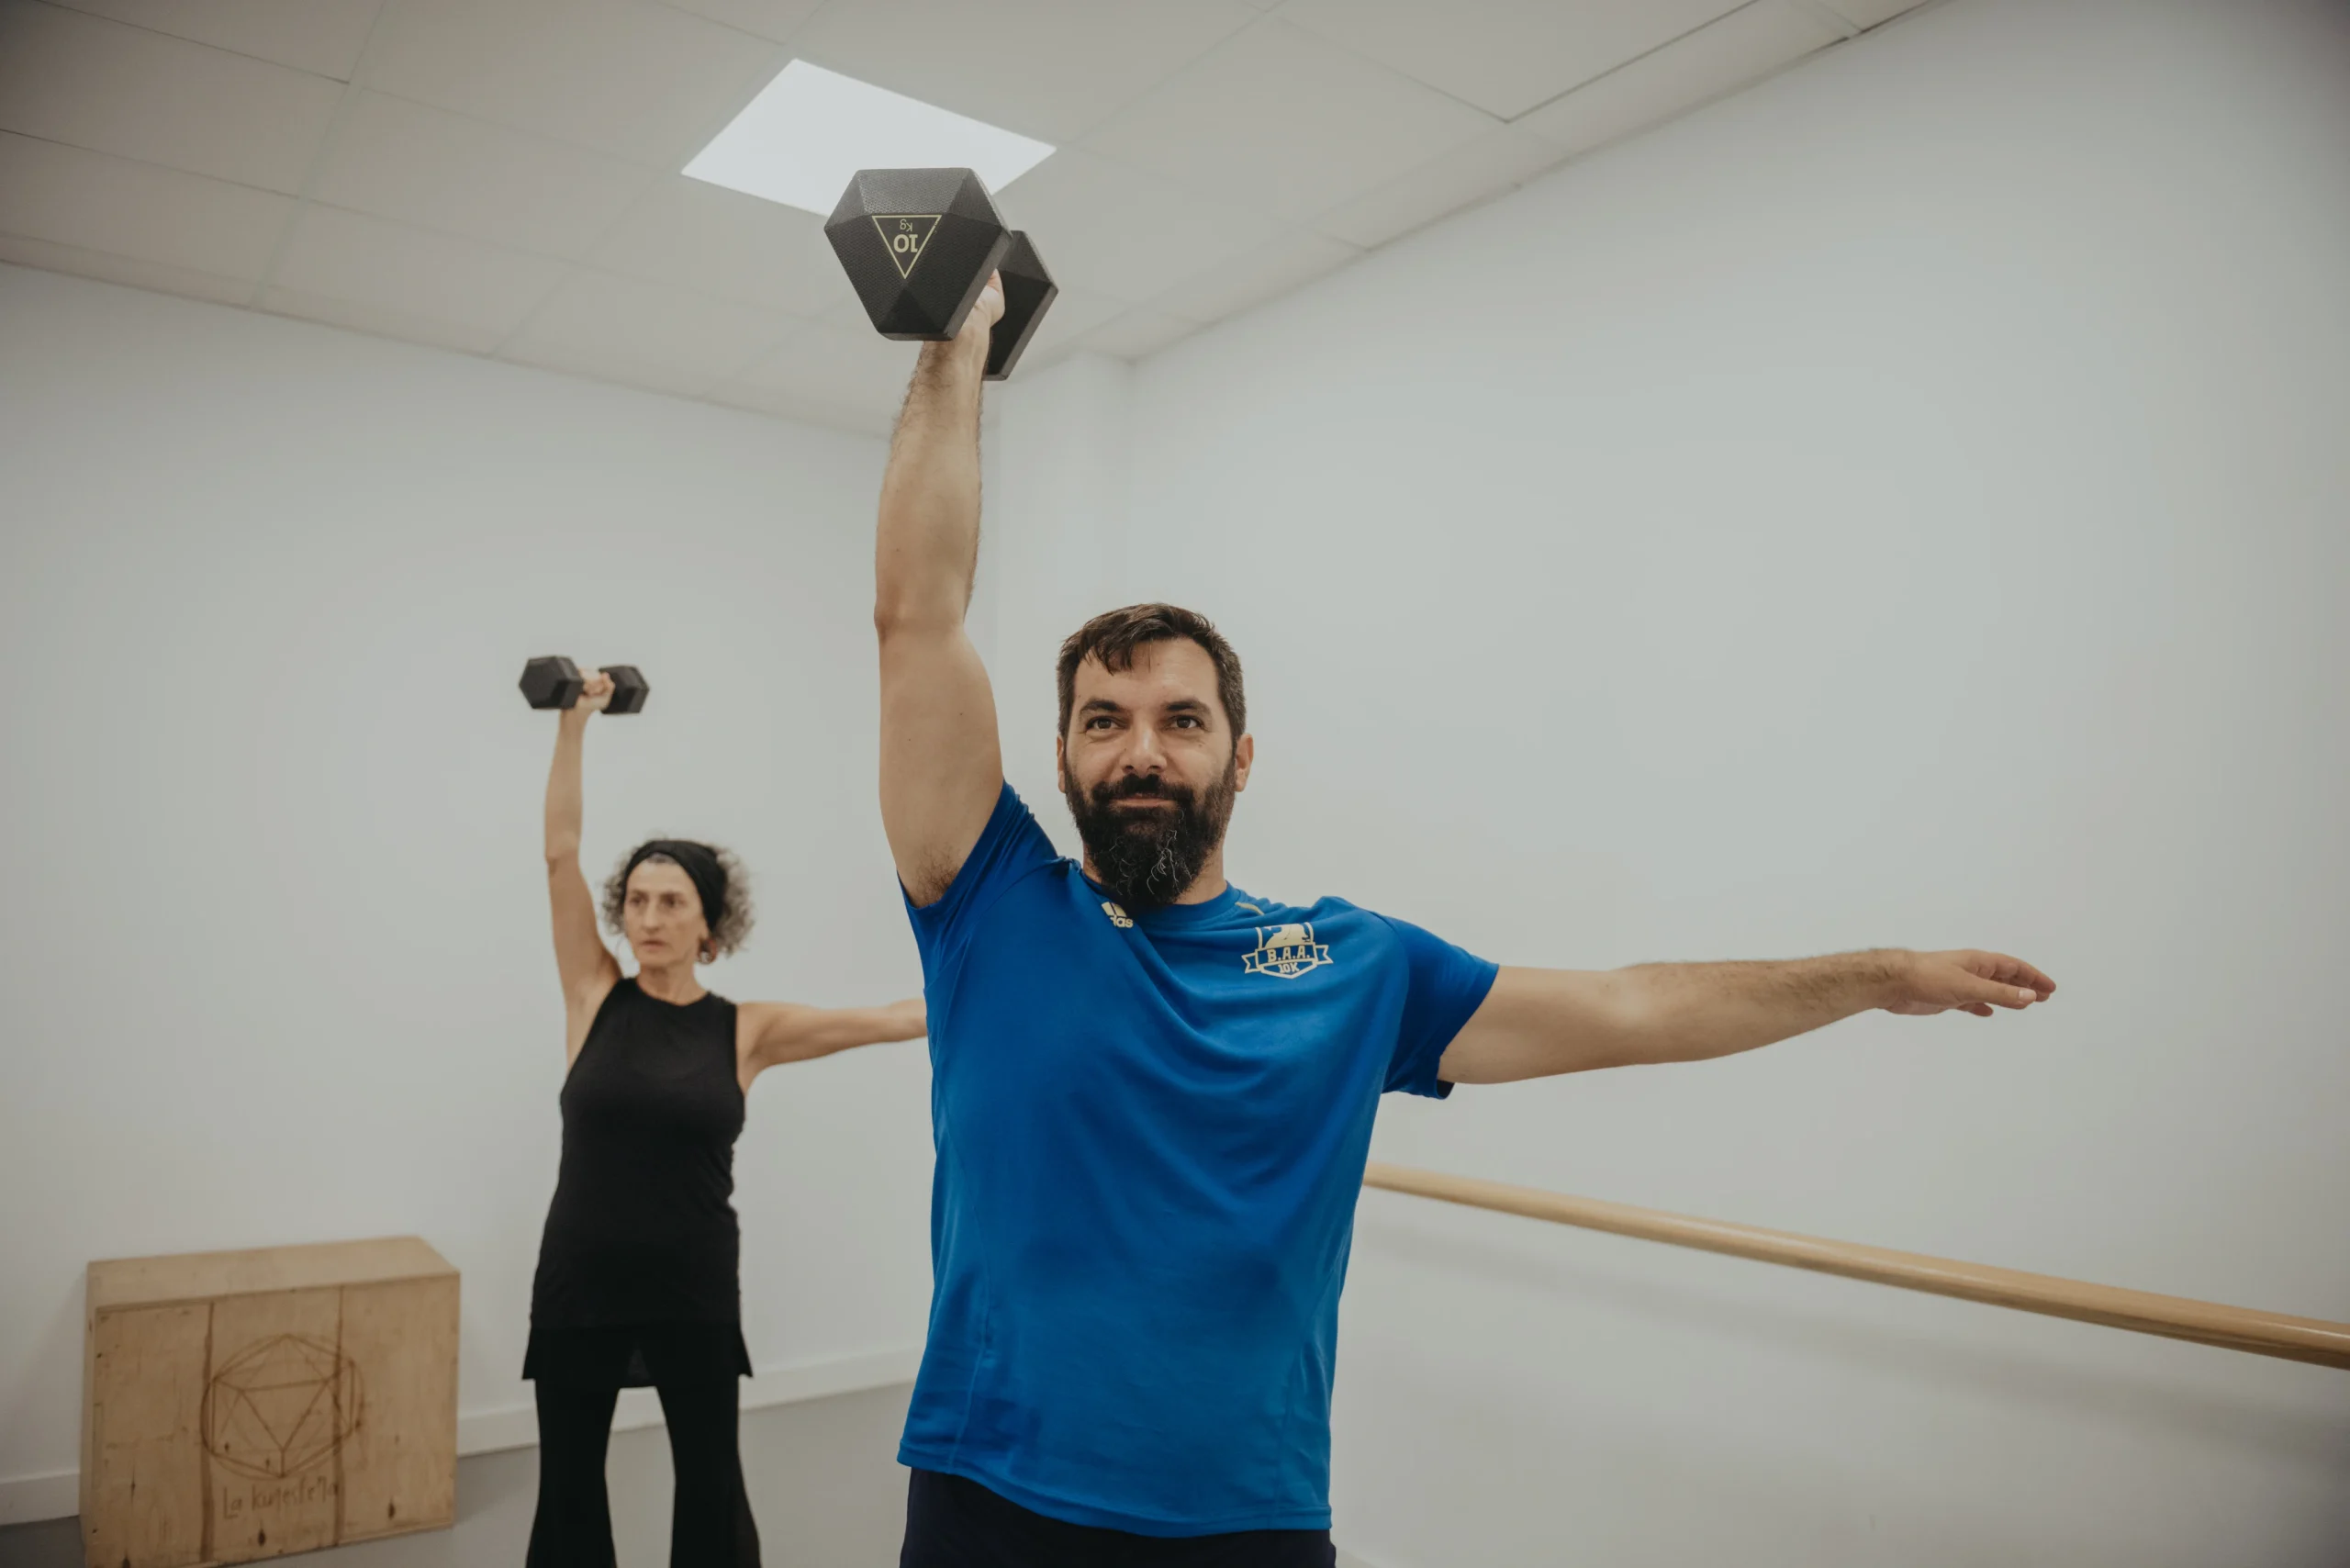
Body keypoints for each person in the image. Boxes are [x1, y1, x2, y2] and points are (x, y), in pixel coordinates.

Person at [868, 276, 2057, 1568]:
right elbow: (917, 617)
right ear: (1060, 756)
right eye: (1104, 722)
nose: (1140, 751)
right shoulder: (990, 905)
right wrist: (955, 345)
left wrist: (1874, 973)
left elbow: (1630, 1009)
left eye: (1181, 720)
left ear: (1241, 759)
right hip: (990, 1502)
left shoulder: (1354, 968)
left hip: (1243, 1522)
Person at [525, 667, 927, 1568]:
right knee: (569, 1490)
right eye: (636, 900)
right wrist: (574, 724)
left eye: (671, 901)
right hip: (580, 1279)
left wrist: (1011, 979)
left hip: (692, 1284)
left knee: (711, 1485)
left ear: (710, 924)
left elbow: (893, 1018)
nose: (649, 916)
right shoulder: (592, 995)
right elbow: (559, 854)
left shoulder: (745, 1030)